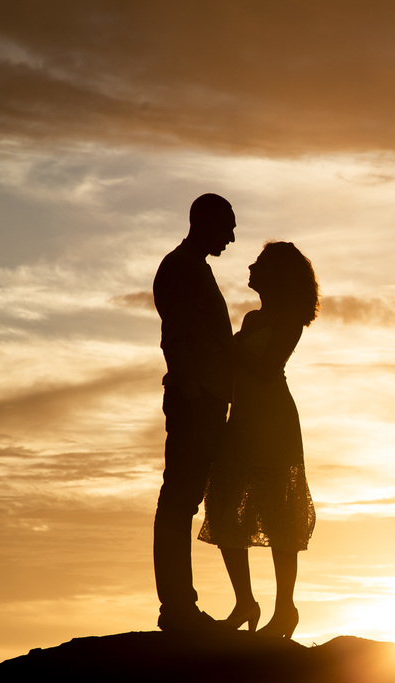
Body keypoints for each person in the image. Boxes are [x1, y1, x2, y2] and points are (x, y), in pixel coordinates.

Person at [199, 241, 319, 639]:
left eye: (260, 264)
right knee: (225, 508)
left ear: (277, 276)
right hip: (243, 420)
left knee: (278, 514)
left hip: (274, 422)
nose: (250, 267)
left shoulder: (289, 320)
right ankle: (245, 602)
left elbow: (268, 369)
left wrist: (227, 347)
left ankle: (285, 609)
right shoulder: (252, 320)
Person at [152, 193, 236, 633]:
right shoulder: (183, 267)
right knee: (178, 500)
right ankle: (178, 608)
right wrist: (193, 389)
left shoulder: (193, 267)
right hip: (194, 401)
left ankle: (180, 606)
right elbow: (175, 337)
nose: (233, 238)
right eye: (228, 227)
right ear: (205, 223)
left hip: (203, 399)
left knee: (183, 500)